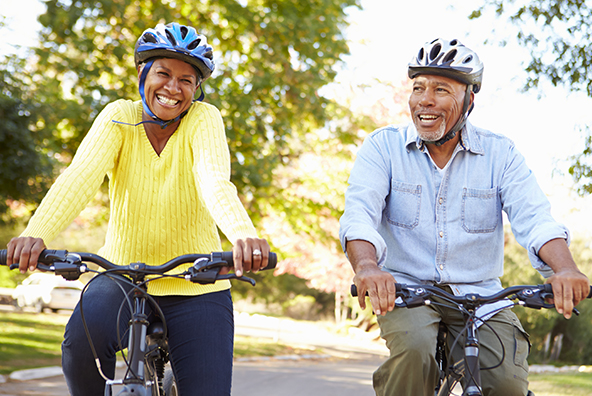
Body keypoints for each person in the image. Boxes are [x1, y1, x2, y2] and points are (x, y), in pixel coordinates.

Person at [6, 22, 270, 396]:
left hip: (197, 283)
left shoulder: (203, 119)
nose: (173, 88)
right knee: (78, 345)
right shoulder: (118, 116)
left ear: (198, 89)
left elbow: (214, 181)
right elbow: (80, 176)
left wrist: (243, 235)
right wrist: (37, 234)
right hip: (121, 277)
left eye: (187, 80)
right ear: (142, 73)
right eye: (163, 73)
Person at [339, 38, 590, 396]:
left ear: (469, 99)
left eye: (441, 89)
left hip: (480, 295)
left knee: (506, 383)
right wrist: (367, 267)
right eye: (418, 88)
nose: (424, 99)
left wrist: (564, 269)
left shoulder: (499, 153)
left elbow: (536, 219)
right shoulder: (383, 147)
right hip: (408, 291)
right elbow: (359, 214)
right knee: (413, 353)